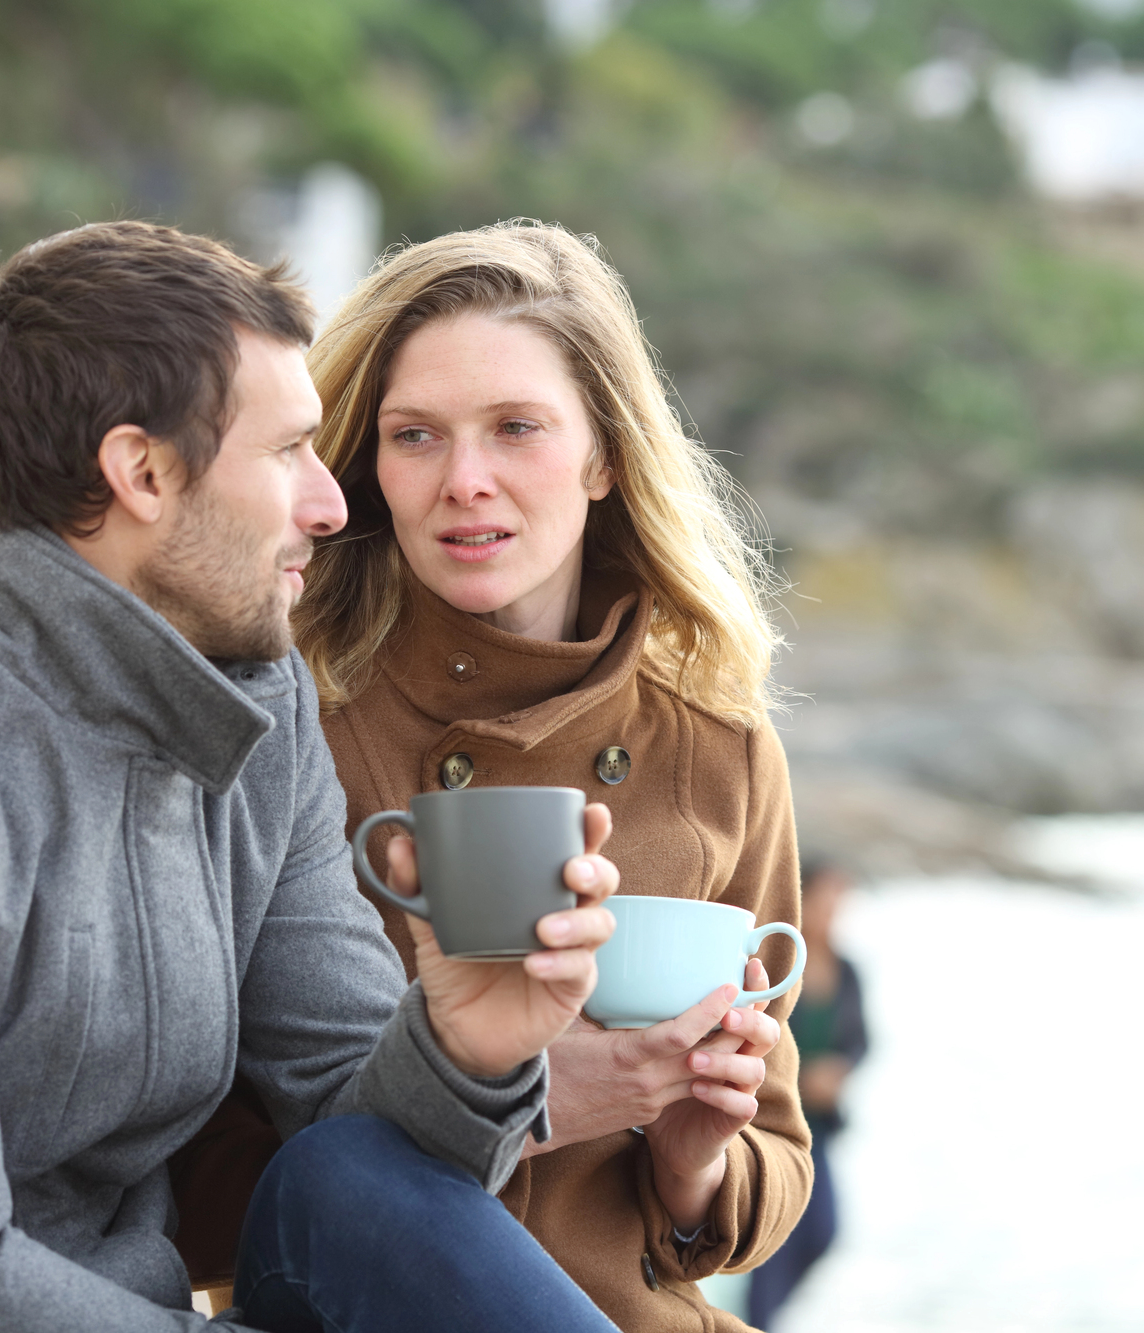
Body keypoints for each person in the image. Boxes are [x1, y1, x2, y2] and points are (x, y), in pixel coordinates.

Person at [0, 220, 630, 1333]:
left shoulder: (252, 703)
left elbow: (372, 1175)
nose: (331, 502)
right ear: (142, 472)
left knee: (345, 1175)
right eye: (285, 453)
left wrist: (464, 1045)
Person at [175, 220, 814, 1330]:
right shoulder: (289, 730)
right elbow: (197, 1159)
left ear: (603, 454)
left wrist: (690, 1165)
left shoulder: (718, 746)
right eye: (415, 436)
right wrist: (519, 1102)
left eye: (515, 428)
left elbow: (778, 1149)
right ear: (366, 465)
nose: (464, 481)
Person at [744, 860, 867, 1329]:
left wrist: (840, 1069)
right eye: (827, 900)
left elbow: (860, 1042)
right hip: (769, 1116)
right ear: (803, 900)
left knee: (822, 1231)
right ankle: (757, 1320)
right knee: (770, 1229)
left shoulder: (848, 970)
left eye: (842, 902)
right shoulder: (777, 965)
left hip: (820, 1125)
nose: (835, 911)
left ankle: (764, 1317)